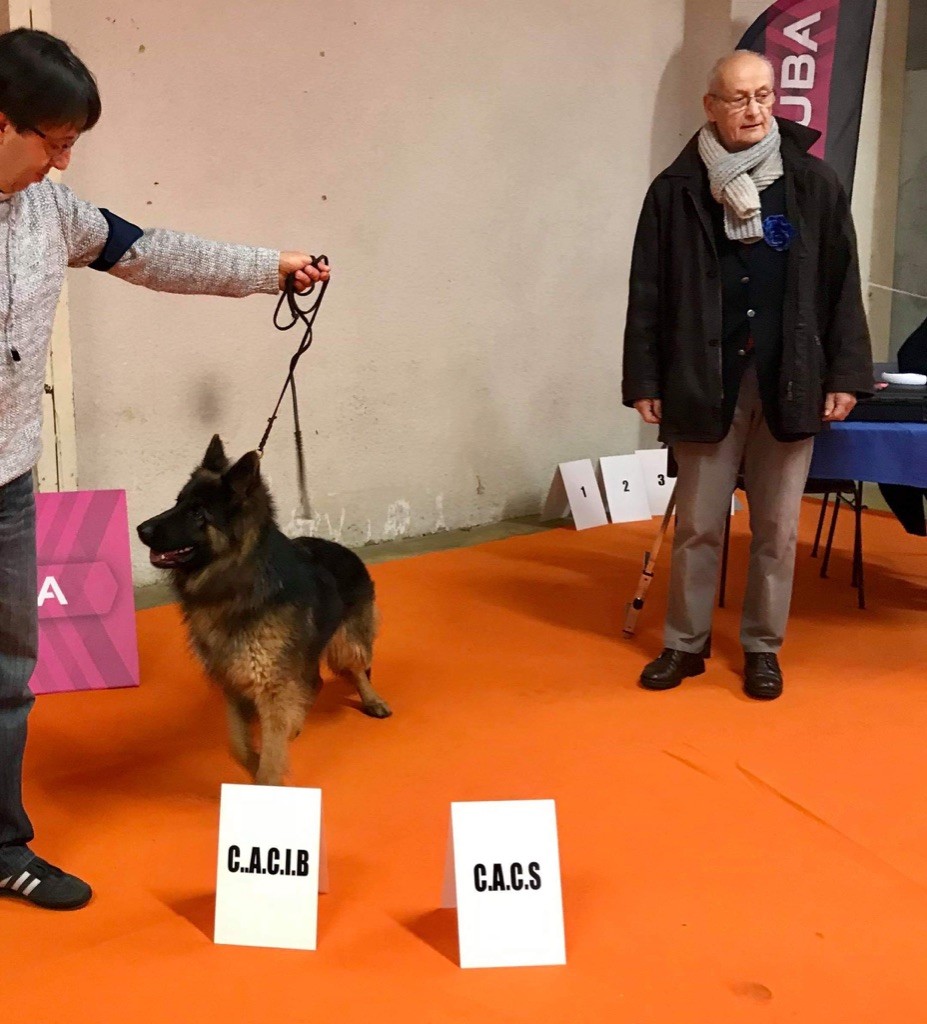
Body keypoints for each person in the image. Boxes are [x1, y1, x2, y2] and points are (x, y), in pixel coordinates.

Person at [0, 27, 330, 910]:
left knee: (6, 671)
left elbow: (153, 252)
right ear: (1, 122)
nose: (62, 161)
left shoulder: (52, 212)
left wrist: (270, 270)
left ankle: (0, 846)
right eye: (55, 141)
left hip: (7, 484)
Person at [621, 50, 872, 701]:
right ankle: (685, 643)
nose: (754, 110)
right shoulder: (674, 192)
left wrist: (844, 372)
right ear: (710, 106)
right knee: (699, 523)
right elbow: (647, 292)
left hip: (790, 379)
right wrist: (643, 378)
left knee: (777, 528)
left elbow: (841, 286)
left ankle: (761, 647)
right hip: (703, 380)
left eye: (763, 96)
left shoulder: (813, 185)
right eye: (738, 98)